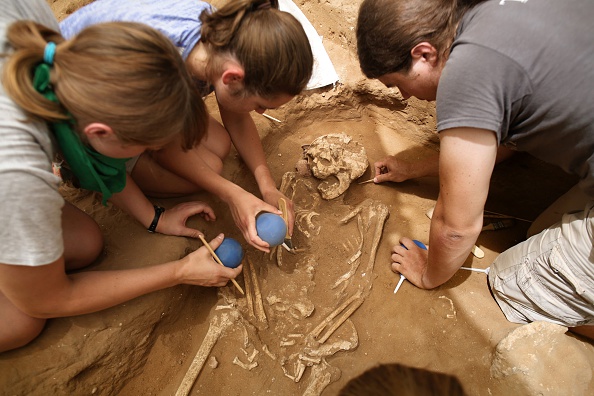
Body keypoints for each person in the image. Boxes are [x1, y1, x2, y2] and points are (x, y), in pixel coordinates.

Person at [0, 0, 242, 353]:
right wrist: (179, 272)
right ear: (98, 132)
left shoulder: (49, 43)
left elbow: (98, 160)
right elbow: (50, 299)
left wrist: (155, 218)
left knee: (84, 243)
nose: (154, 150)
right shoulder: (17, 170)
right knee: (23, 319)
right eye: (147, 145)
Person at [356, 0, 594, 340]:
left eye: (397, 83)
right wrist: (413, 168)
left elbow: (457, 228)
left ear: (424, 54)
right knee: (540, 233)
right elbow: (508, 135)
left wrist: (429, 274)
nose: (403, 96)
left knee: (510, 281)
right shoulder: (488, 14)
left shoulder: (466, 71)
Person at [60, 0, 314, 252]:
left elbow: (234, 114)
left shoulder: (228, 38)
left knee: (220, 145)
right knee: (210, 167)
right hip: (86, 111)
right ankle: (76, 167)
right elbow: (161, 143)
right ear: (233, 78)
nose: (260, 112)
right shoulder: (157, 76)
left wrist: (266, 185)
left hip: (127, 99)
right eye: (260, 104)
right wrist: (233, 195)